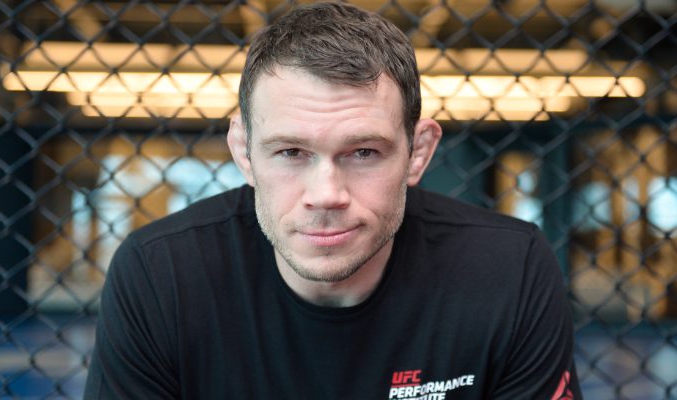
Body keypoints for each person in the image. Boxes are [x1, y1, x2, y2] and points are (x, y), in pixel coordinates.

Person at [85, 2, 582, 399]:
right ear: (244, 152)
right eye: (290, 152)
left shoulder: (508, 269)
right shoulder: (160, 275)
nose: (326, 195)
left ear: (418, 153)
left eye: (364, 152)